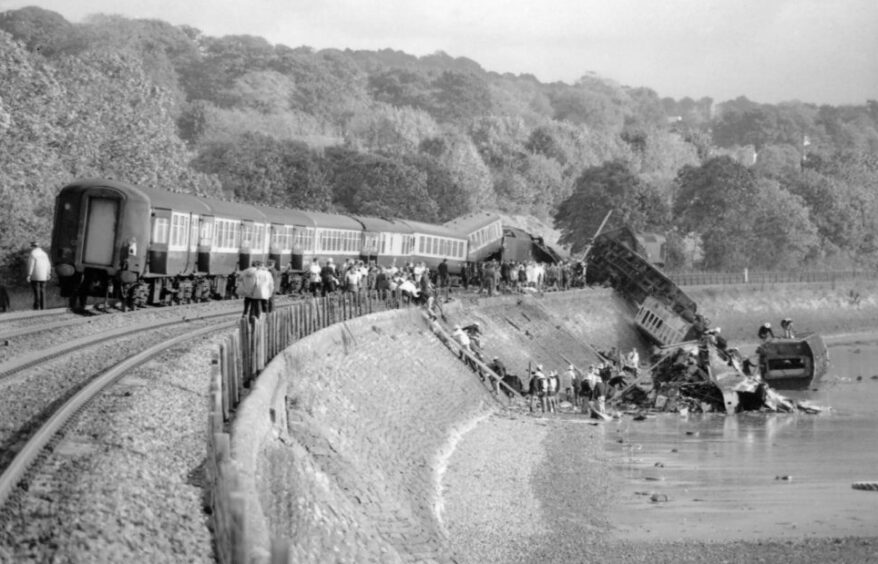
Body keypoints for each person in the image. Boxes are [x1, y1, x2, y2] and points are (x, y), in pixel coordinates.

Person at [26, 241, 51, 310]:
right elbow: (48, 264)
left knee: (36, 291)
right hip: (44, 276)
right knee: (42, 290)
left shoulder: (33, 254)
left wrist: (29, 275)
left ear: (33, 246)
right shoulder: (44, 254)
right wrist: (48, 273)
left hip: (35, 275)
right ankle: (43, 306)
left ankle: (37, 306)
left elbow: (31, 265)